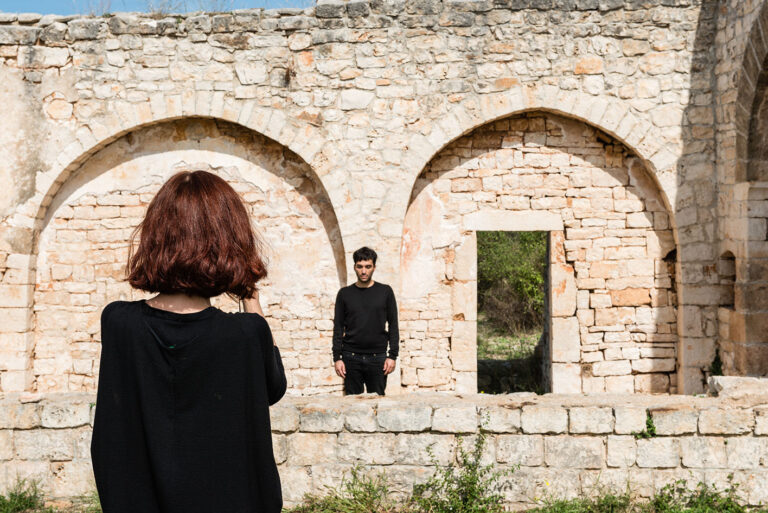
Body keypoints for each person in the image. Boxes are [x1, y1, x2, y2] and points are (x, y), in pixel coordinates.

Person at [90, 171, 287, 513]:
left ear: (155, 238)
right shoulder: (245, 334)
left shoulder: (118, 322)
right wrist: (248, 289)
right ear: (231, 241)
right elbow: (273, 387)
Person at [332, 246, 399, 395]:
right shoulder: (344, 294)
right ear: (354, 267)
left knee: (378, 406)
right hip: (350, 358)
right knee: (352, 408)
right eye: (360, 267)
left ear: (374, 267)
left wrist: (392, 356)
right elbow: (338, 327)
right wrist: (337, 358)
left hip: (378, 359)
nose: (363, 271)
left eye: (368, 267)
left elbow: (393, 325)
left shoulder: (385, 292)